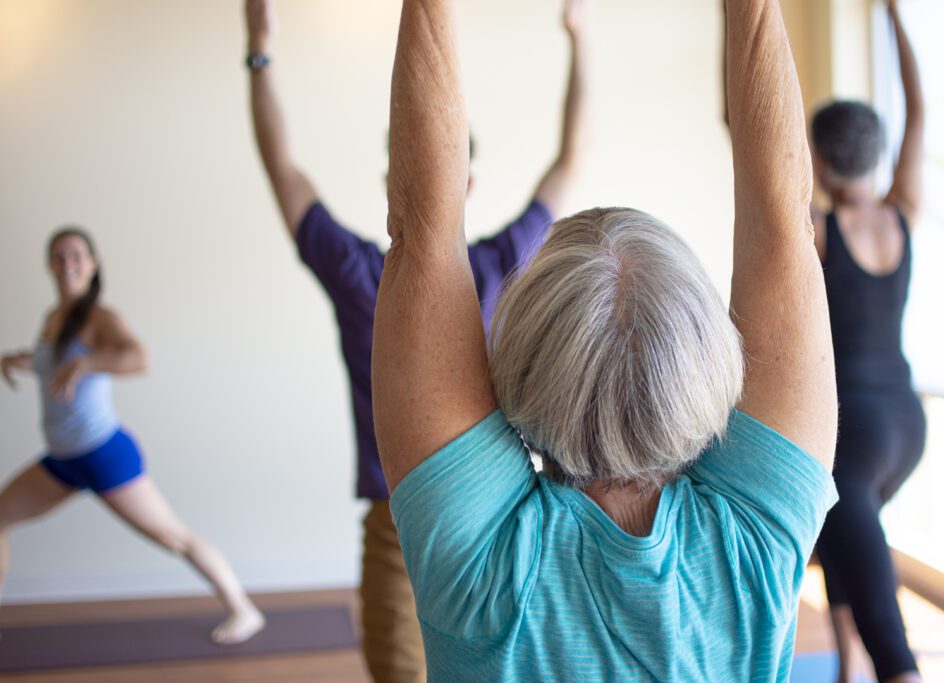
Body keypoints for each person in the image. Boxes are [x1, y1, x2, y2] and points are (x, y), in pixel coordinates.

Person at [372, 0, 838, 680]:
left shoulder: (482, 561)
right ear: (709, 362)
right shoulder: (756, 540)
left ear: (520, 365)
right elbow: (784, 222)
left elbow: (421, 230)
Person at [242, 0, 589, 679]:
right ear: (390, 180)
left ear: (467, 182)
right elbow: (280, 166)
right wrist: (259, 52)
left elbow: (570, 159)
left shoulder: (499, 262)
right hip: (395, 524)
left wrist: (581, 41)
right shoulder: (357, 271)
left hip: (504, 516)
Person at [0, 228, 264, 645]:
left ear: (92, 265)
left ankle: (244, 610)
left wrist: (86, 363)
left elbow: (138, 357)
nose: (67, 263)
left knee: (174, 536)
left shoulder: (100, 317)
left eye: (76, 255)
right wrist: (21, 359)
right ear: (50, 265)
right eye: (59, 256)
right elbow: (56, 366)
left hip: (104, 453)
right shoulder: (54, 317)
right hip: (63, 459)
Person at [810, 2, 926, 681]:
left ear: (821, 162)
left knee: (893, 641)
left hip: (851, 434)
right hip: (906, 424)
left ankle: (878, 665)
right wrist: (894, 14)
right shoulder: (899, 212)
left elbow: (749, 137)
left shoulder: (819, 230)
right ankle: (848, 666)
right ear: (877, 155)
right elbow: (919, 111)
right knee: (843, 538)